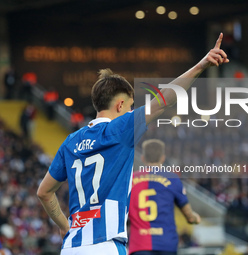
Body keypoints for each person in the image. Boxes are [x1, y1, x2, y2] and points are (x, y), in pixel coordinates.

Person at [37, 33, 229, 255]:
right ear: (120, 105)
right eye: (129, 106)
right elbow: (164, 99)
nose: (131, 111)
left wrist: (64, 226)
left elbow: (44, 192)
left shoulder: (70, 141)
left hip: (71, 247)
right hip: (106, 245)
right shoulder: (120, 129)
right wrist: (201, 65)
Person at [128, 139, 200, 255]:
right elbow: (190, 217)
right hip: (167, 244)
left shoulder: (130, 180)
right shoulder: (172, 178)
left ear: (143, 158)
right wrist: (196, 218)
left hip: (139, 244)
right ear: (162, 158)